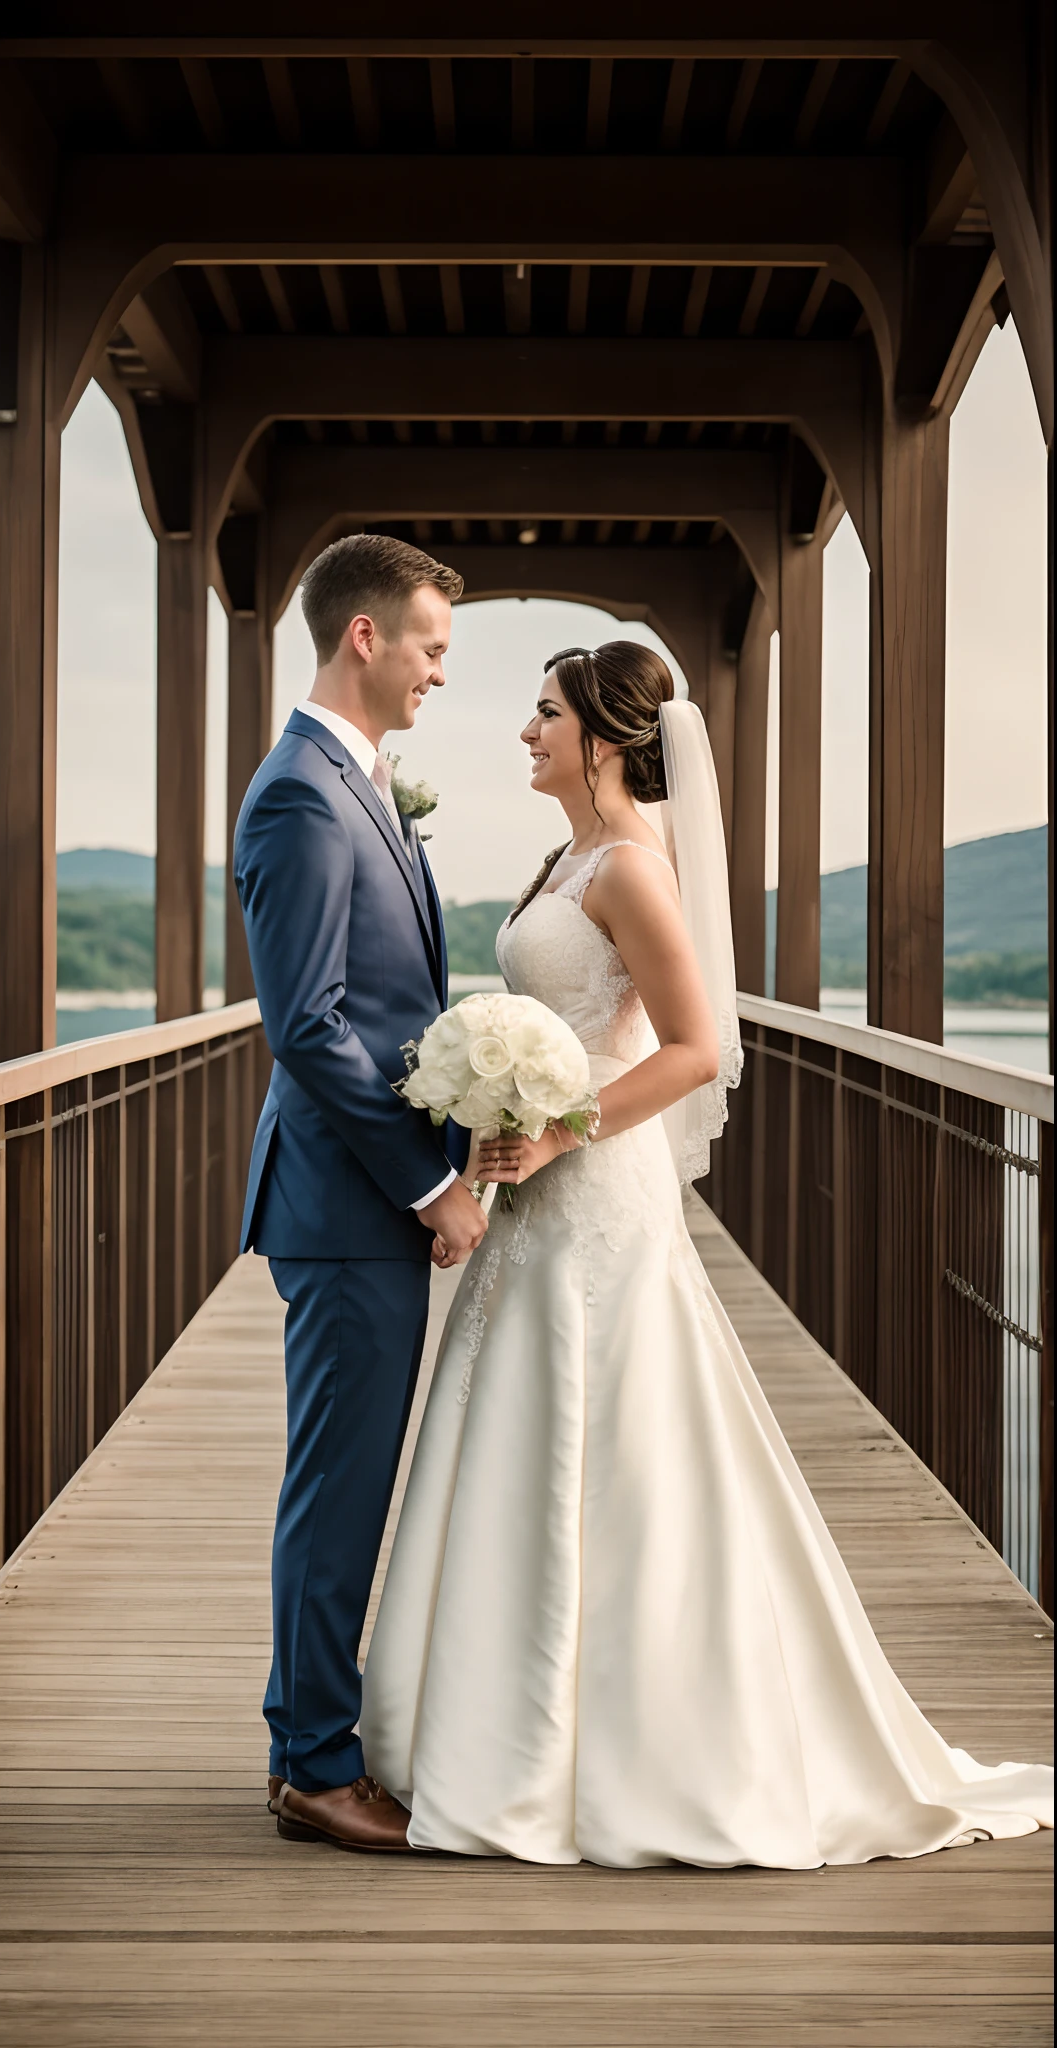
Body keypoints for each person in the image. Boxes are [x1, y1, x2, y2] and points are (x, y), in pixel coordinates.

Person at [360, 639, 1053, 1868]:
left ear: (606, 740)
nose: (526, 732)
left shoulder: (628, 865)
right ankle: (498, 1728)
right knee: (520, 1429)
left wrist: (558, 1127)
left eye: (544, 714)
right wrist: (493, 1105)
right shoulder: (561, 856)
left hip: (593, 1188)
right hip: (537, 1186)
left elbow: (693, 1045)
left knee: (626, 1442)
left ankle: (643, 1747)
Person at [233, 533, 488, 1852]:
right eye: (434, 646)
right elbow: (313, 1026)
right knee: (338, 1485)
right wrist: (433, 1181)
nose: (444, 671)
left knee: (349, 1477)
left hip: (360, 1199)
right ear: (367, 638)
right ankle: (314, 1766)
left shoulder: (360, 784)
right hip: (343, 1205)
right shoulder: (299, 797)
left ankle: (310, 1735)